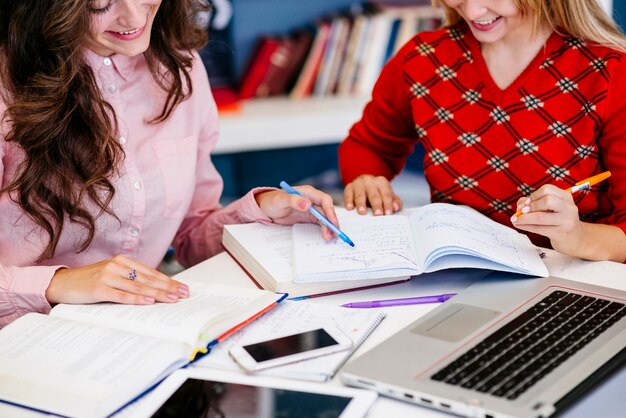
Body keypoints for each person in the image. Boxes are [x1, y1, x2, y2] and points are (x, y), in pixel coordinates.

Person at [0, 0, 339, 328]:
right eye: (100, 4)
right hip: (25, 340)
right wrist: (57, 284)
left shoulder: (181, 66)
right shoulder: (6, 89)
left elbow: (191, 235)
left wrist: (263, 210)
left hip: (142, 330)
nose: (133, 16)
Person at [339, 0, 626, 263]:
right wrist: (366, 178)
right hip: (455, 275)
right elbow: (368, 145)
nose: (473, 12)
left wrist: (577, 236)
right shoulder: (422, 58)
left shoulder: (612, 72)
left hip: (571, 282)